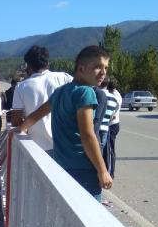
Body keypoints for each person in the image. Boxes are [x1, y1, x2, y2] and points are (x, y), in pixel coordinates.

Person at [19, 45, 113, 201]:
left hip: (62, 165)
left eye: (105, 68)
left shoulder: (61, 91)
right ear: (81, 69)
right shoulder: (86, 92)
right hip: (84, 168)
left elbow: (36, 115)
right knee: (88, 215)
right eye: (98, 67)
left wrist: (20, 129)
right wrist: (102, 171)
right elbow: (88, 136)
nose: (103, 72)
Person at [11, 45, 72, 153]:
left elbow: (16, 121)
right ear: (47, 63)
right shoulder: (64, 78)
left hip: (36, 147)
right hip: (64, 145)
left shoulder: (21, 87)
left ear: (28, 66)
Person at [106, 79, 122, 178]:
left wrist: (111, 115)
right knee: (109, 148)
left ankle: (111, 173)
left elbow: (114, 112)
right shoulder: (116, 94)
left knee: (111, 150)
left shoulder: (115, 96)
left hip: (113, 124)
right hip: (113, 124)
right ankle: (109, 170)